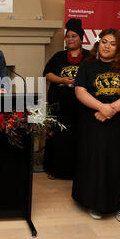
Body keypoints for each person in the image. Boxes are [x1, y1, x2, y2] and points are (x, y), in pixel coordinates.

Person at [72, 28, 120, 222]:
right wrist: (101, 107)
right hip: (92, 122)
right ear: (98, 43)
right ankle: (94, 202)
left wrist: (111, 109)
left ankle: (118, 204)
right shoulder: (88, 65)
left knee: (117, 162)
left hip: (119, 124)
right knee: (94, 161)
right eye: (104, 42)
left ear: (119, 47)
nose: (107, 46)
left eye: (112, 43)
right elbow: (80, 91)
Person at [42, 18, 89, 180]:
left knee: (79, 138)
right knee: (58, 138)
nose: (70, 39)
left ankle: (78, 171)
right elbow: (47, 74)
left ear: (81, 39)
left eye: (73, 36)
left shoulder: (90, 57)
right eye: (68, 36)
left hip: (81, 108)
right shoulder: (58, 56)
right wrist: (62, 80)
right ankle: (55, 169)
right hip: (60, 107)